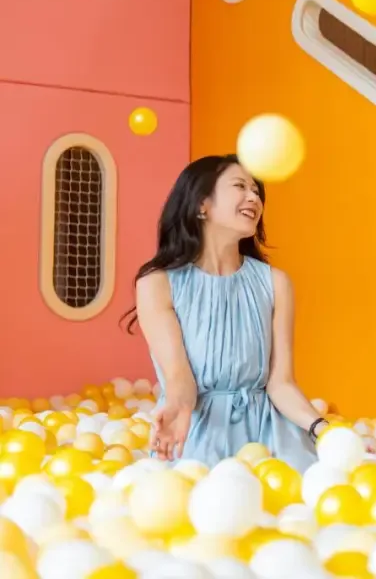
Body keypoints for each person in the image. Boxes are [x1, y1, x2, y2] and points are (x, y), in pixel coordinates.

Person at [122, 155, 326, 470]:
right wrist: (176, 408)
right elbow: (179, 378)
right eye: (240, 186)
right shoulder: (157, 283)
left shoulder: (276, 283)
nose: (254, 197)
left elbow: (281, 383)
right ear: (202, 205)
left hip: (269, 439)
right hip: (196, 432)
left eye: (256, 191)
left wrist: (323, 431)